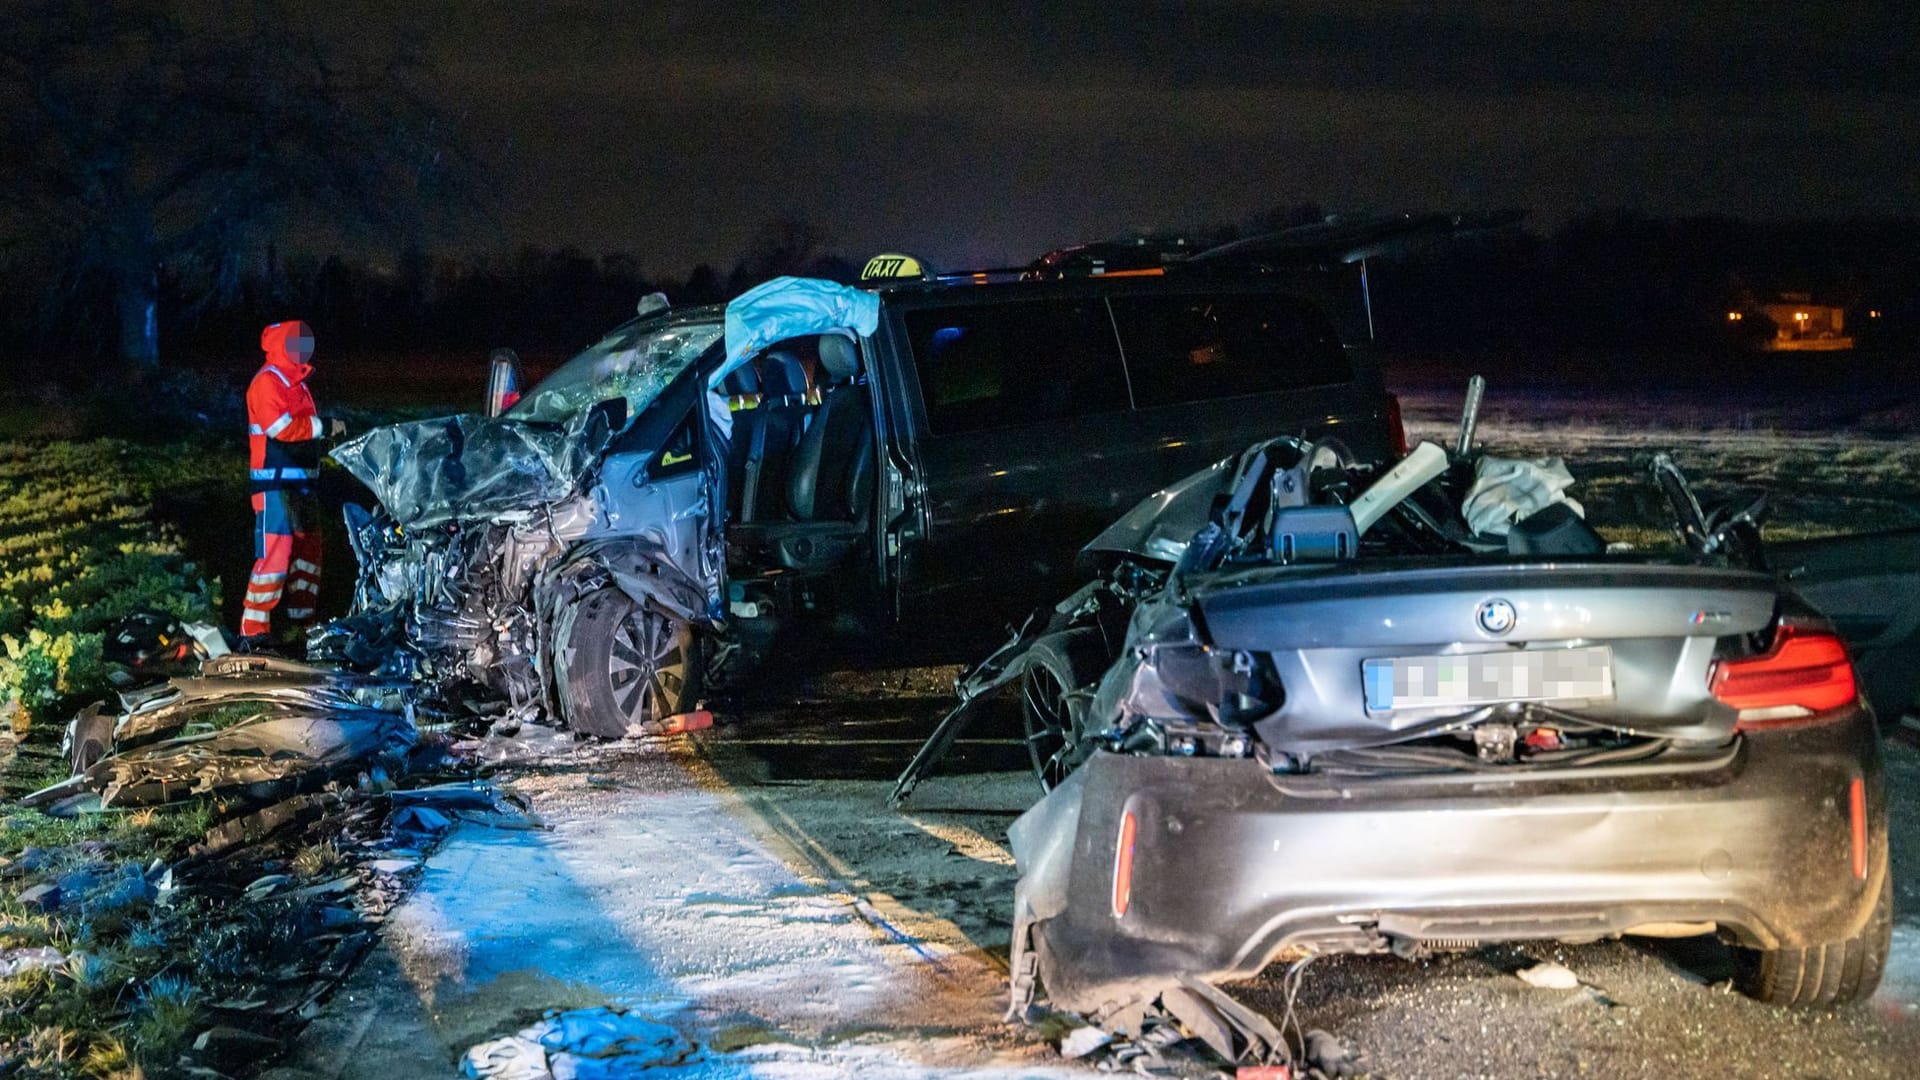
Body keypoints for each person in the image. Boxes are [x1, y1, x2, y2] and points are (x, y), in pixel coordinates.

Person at [240, 321, 344, 650]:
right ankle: (253, 629)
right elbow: (281, 429)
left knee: (308, 551)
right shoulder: (268, 382)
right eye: (297, 343)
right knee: (275, 555)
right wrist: (325, 426)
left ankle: (303, 625)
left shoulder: (294, 382)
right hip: (274, 485)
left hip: (299, 485)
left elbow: (301, 431)